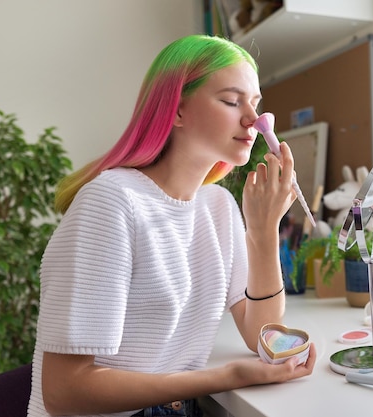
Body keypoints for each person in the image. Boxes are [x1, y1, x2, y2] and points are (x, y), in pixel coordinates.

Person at [27, 34, 317, 417]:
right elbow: (65, 393)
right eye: (232, 101)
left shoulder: (217, 206)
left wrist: (263, 232)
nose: (255, 119)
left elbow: (261, 333)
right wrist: (226, 376)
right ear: (176, 111)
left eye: (256, 103)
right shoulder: (112, 202)